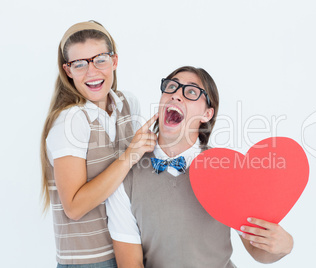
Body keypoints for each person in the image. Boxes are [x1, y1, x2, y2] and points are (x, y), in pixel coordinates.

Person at [106, 66, 294, 268]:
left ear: (207, 114)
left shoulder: (225, 170)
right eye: (171, 87)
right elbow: (130, 263)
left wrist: (284, 246)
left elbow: (257, 251)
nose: (177, 95)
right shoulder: (126, 175)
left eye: (191, 92)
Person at [40, 20, 157, 267]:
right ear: (67, 70)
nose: (92, 72)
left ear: (114, 61)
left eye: (100, 59)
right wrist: (129, 156)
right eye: (79, 64)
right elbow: (73, 207)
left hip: (131, 250)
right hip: (91, 261)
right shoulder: (70, 121)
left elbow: (134, 179)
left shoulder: (127, 103)